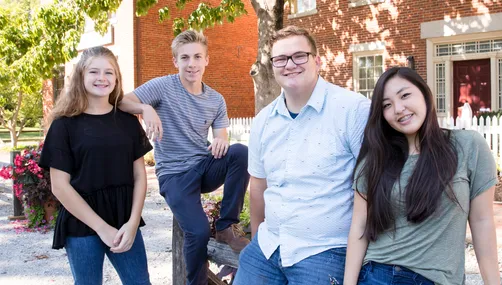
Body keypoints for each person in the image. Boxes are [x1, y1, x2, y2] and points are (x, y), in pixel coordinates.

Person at [234, 26, 370, 285]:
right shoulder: (264, 121)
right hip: (268, 245)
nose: (290, 65)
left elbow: (373, 186)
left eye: (299, 56)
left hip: (325, 250)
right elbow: (258, 186)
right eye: (281, 59)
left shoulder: (352, 110)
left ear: (317, 61)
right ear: (273, 67)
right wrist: (257, 239)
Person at [343, 67, 501, 285]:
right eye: (387, 105)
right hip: (378, 275)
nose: (398, 109)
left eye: (405, 95)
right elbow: (359, 226)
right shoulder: (375, 160)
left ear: (425, 94)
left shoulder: (468, 146)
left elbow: (482, 221)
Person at [118, 30, 250, 285]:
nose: (192, 64)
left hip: (203, 166)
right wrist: (145, 107)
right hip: (174, 175)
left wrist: (221, 139)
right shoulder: (162, 86)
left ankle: (225, 228)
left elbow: (221, 137)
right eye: (185, 58)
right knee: (198, 231)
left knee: (240, 152)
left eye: (197, 57)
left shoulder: (216, 99)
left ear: (206, 60)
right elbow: (122, 102)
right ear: (175, 61)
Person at [39, 46, 153, 284]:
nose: (102, 78)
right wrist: (101, 228)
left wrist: (132, 223)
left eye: (109, 72)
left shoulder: (128, 123)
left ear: (117, 79)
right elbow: (60, 186)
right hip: (81, 222)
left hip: (124, 221)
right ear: (81, 76)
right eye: (94, 72)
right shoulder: (64, 126)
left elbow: (140, 177)